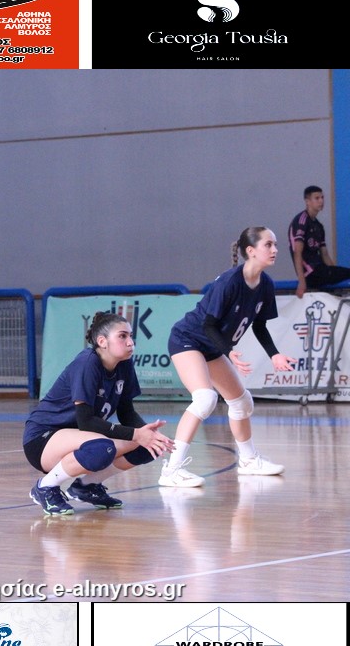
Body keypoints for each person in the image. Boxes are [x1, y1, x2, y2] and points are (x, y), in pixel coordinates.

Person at [160, 227, 297, 488]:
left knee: (242, 402)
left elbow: (259, 326)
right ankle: (171, 470)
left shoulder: (266, 285)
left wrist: (275, 355)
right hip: (188, 339)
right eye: (268, 245)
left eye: (275, 244)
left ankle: (248, 461)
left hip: (213, 347)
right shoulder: (229, 282)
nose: (275, 250)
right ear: (251, 250)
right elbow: (209, 325)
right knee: (205, 398)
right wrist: (229, 352)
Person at [23, 311, 175, 516]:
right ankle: (45, 487)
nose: (130, 342)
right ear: (102, 341)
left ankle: (86, 486)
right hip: (43, 438)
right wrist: (136, 434)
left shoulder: (124, 364)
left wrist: (148, 435)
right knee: (102, 448)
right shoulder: (87, 362)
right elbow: (86, 421)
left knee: (147, 447)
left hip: (81, 436)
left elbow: (126, 412)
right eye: (122, 336)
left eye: (131, 336)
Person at [288, 185, 350, 298]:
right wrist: (301, 281)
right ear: (307, 201)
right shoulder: (301, 221)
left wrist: (333, 271)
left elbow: (325, 254)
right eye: (317, 198)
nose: (321, 201)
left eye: (322, 197)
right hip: (310, 273)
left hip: (321, 270)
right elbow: (297, 252)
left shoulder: (319, 226)